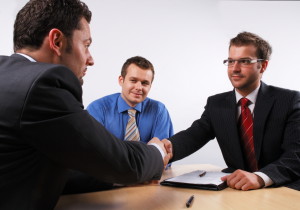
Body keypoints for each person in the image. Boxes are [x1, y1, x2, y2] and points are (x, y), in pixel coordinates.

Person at [0, 0, 170, 209]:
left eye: (145, 83)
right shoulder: (44, 85)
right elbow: (121, 162)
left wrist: (117, 174)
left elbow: (61, 170)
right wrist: (157, 152)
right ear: (57, 41)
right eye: (86, 45)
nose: (90, 60)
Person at [161, 31, 300, 191]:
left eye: (245, 61)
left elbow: (296, 154)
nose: (235, 69)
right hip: (237, 189)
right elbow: (194, 135)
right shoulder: (216, 104)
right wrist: (168, 148)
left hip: (283, 186)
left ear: (262, 65)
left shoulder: (289, 100)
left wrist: (260, 177)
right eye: (231, 61)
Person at [87, 56, 174, 143]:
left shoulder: (159, 111)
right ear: (121, 80)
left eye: (145, 83)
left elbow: (162, 153)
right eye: (133, 80)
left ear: (150, 86)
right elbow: (95, 150)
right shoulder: (97, 109)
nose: (139, 87)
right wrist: (148, 148)